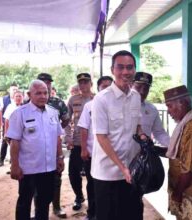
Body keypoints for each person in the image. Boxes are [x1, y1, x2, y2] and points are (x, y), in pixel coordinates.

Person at [91, 50, 146, 220]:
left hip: (132, 172)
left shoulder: (136, 97)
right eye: (120, 67)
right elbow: (102, 137)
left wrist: (143, 137)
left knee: (132, 215)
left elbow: (137, 126)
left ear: (134, 70)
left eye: (129, 67)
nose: (125, 72)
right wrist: (122, 167)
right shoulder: (101, 99)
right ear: (112, 69)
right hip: (107, 174)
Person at [6, 80, 64, 220]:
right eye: (38, 93)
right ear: (29, 94)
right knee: (25, 201)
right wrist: (14, 165)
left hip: (48, 167)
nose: (43, 96)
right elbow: (15, 141)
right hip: (28, 168)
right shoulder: (19, 113)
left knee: (44, 201)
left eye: (45, 93)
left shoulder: (53, 112)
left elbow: (57, 137)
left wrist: (60, 157)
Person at [163, 85, 192, 220]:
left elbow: (189, 169)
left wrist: (177, 194)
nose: (168, 111)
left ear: (183, 103)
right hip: (186, 192)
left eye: (170, 106)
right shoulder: (184, 124)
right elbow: (177, 154)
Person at [78, 75, 113, 220]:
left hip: (112, 155)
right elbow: (84, 128)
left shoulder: (118, 105)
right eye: (103, 86)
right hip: (93, 154)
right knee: (92, 185)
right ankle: (92, 213)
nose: (107, 89)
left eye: (109, 86)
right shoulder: (89, 105)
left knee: (110, 186)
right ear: (98, 88)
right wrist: (84, 149)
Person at [37, 72, 70, 218]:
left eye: (48, 82)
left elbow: (66, 119)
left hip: (54, 145)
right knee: (36, 180)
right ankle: (38, 209)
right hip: (36, 149)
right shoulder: (28, 102)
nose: (46, 84)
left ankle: (56, 207)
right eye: (43, 82)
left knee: (56, 178)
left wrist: (57, 130)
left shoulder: (58, 103)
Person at [65, 73, 94, 211]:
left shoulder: (98, 99)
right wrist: (68, 137)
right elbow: (66, 120)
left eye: (85, 82)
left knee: (91, 175)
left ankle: (93, 203)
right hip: (76, 142)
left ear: (91, 84)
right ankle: (79, 196)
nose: (82, 85)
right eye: (80, 82)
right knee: (73, 173)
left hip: (92, 144)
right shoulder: (73, 100)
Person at [132, 71, 170, 148]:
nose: (142, 91)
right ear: (130, 85)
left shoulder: (152, 109)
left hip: (143, 156)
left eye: (146, 88)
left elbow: (159, 133)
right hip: (121, 156)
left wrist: (174, 146)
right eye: (138, 87)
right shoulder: (120, 105)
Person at [0, 83, 18, 167]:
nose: (15, 91)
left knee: (15, 143)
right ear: (9, 90)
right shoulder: (4, 99)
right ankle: (1, 160)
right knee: (5, 141)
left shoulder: (19, 99)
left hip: (17, 125)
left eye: (16, 89)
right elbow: (1, 110)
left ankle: (12, 161)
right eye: (13, 89)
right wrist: (1, 123)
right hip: (6, 123)